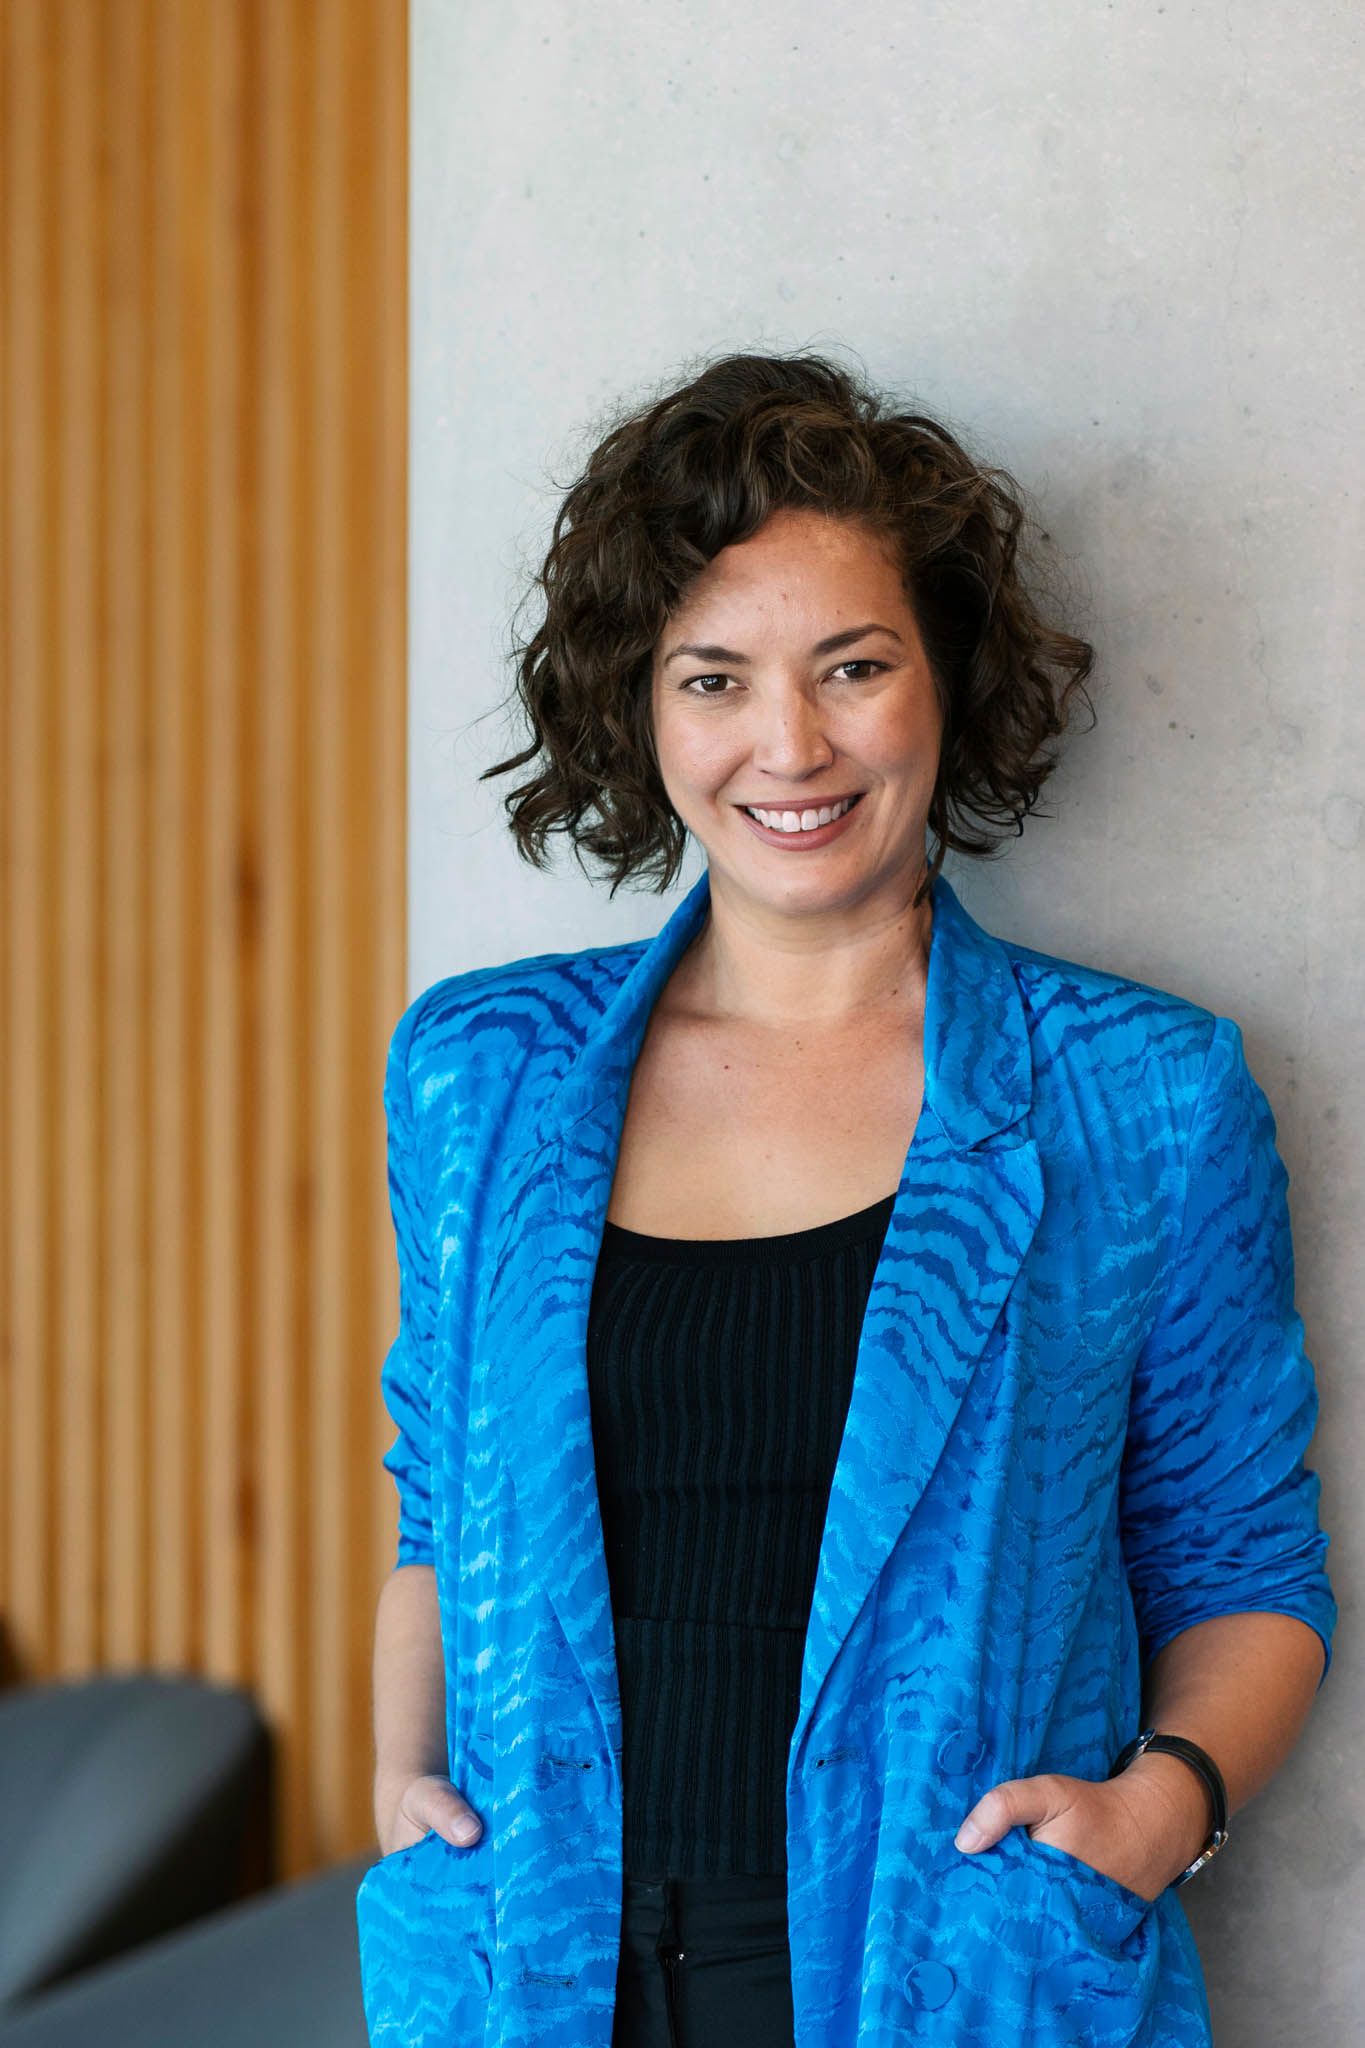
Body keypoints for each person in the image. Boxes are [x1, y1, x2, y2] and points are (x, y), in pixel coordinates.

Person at [358, 351, 1337, 2048]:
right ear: (639, 707)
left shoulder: (1139, 1096)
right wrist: (398, 1789)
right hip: (528, 1968)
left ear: (943, 680)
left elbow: (1244, 1566)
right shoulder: (480, 1073)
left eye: (852, 667)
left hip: (951, 1974)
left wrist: (1153, 1816)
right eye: (713, 679)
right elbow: (439, 1516)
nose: (786, 745)